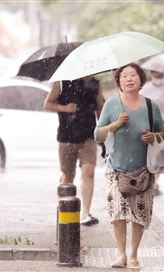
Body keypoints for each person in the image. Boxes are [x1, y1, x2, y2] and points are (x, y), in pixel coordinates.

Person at [94, 63, 164, 269]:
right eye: (124, 76)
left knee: (139, 213)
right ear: (118, 82)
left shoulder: (151, 106)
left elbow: (163, 132)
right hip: (115, 168)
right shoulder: (111, 105)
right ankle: (121, 255)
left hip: (144, 169)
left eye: (133, 75)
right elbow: (97, 134)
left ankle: (134, 254)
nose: (128, 79)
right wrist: (115, 125)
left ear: (140, 80)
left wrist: (153, 136)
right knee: (117, 213)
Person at [44, 75, 104, 226]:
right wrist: (64, 108)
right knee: (68, 174)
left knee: (89, 172)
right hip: (66, 136)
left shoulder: (96, 84)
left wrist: (103, 131)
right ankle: (64, 210)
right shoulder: (62, 83)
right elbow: (48, 104)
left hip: (89, 136)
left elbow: (99, 108)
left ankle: (86, 212)